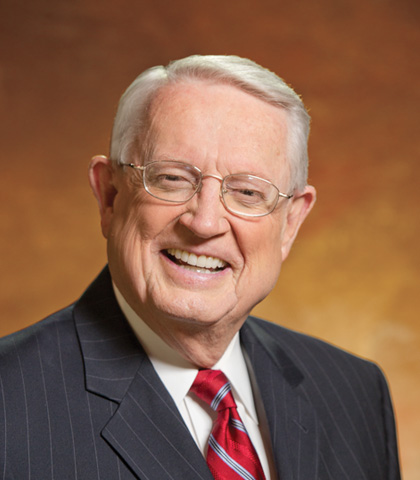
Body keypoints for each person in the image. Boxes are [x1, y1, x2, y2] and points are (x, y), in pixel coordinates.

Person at [0, 55, 400, 480]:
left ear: (290, 224)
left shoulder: (355, 393)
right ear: (110, 196)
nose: (204, 223)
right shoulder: (10, 405)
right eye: (171, 179)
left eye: (248, 192)